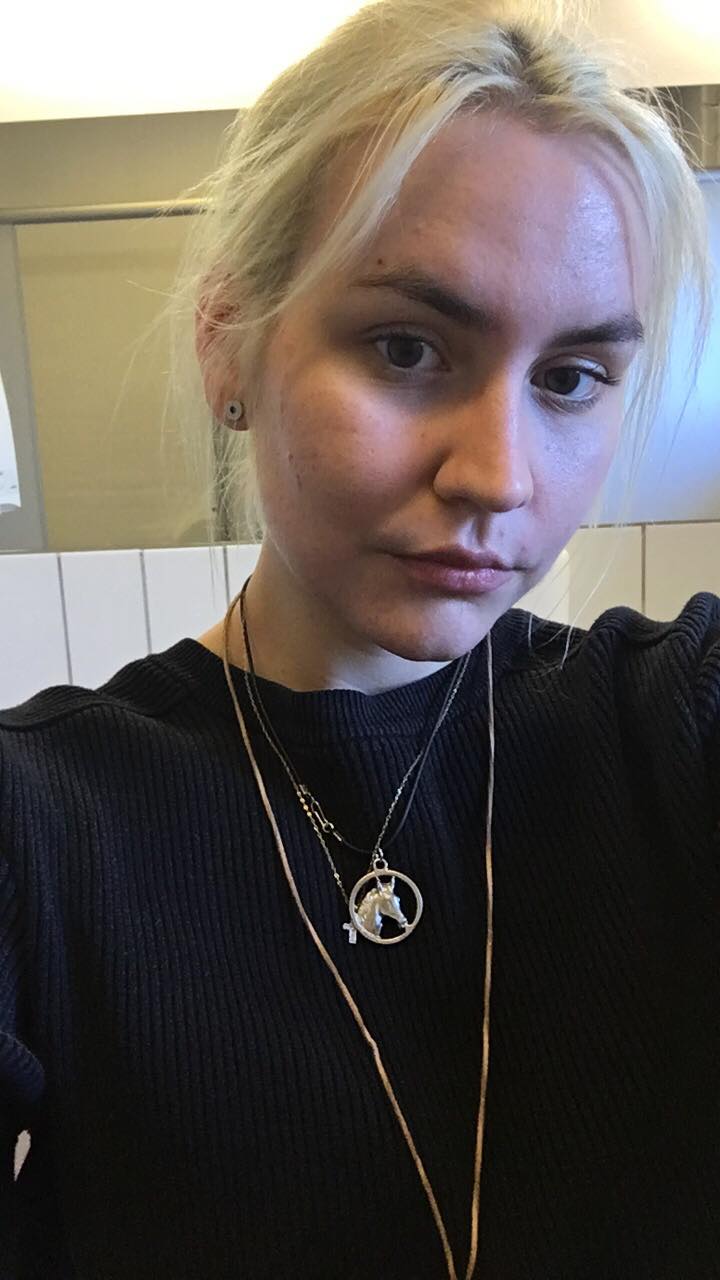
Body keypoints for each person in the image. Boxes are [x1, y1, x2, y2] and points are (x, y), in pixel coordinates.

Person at [1, 1, 718, 1276]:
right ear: (230, 343)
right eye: (406, 347)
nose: (499, 475)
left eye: (570, 378)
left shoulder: (670, 721)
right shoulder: (42, 818)